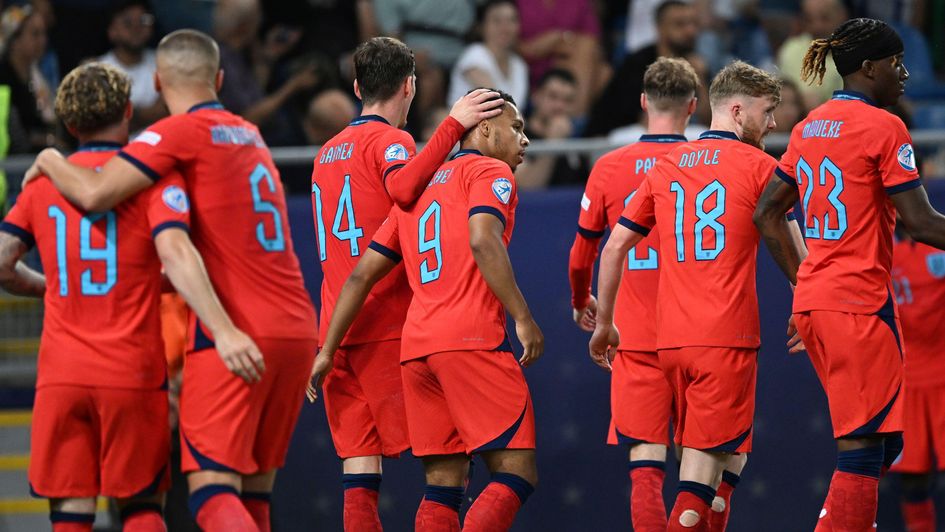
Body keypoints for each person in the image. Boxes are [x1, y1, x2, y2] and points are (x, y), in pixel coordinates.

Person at [25, 29, 320, 532]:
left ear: (158, 83)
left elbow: (97, 195)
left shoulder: (175, 135)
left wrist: (51, 158)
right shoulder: (250, 132)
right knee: (254, 495)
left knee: (210, 494)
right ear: (220, 79)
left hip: (235, 329)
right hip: (296, 329)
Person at [0, 62, 260, 532]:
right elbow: (178, 255)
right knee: (141, 507)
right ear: (126, 112)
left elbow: (2, 260)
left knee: (71, 514)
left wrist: (44, 286)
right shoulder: (153, 181)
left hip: (61, 375)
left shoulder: (43, 183)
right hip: (132, 374)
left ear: (68, 122)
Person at [308, 90, 542, 532]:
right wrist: (524, 317)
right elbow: (482, 239)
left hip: (416, 351)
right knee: (516, 472)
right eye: (518, 128)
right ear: (486, 129)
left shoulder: (418, 189)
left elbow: (360, 275)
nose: (525, 141)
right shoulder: (491, 171)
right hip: (472, 339)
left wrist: (328, 348)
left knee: (443, 486)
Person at [592, 61, 805, 532]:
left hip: (670, 343)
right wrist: (805, 298)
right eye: (768, 111)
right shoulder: (761, 167)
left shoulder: (666, 167)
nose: (773, 123)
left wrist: (605, 320)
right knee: (699, 482)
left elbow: (614, 248)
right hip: (725, 339)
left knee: (729, 460)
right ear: (735, 109)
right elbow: (794, 245)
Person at [754, 17, 945, 531]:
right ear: (869, 67)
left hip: (821, 301)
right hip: (859, 304)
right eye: (896, 63)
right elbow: (920, 222)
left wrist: (804, 283)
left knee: (887, 444)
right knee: (862, 449)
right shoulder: (885, 127)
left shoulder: (807, 127)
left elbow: (767, 213)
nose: (904, 73)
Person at [569, 56, 699, 531]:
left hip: (633, 333)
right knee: (702, 464)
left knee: (646, 465)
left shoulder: (608, 166)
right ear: (693, 105)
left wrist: (582, 299)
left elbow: (583, 251)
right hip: (698, 332)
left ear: (644, 102)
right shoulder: (707, 164)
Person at [889, 232, 945, 532]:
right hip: (905, 379)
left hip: (943, 373)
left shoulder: (938, 237)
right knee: (913, 478)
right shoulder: (879, 247)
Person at [586, 0, 709, 137]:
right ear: (660, 27)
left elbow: (709, 121)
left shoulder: (698, 64)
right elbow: (623, 115)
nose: (690, 31)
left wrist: (701, 79)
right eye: (680, 24)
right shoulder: (637, 63)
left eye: (693, 24)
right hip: (631, 138)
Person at [98, 0, 167, 132]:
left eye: (144, 20)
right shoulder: (98, 70)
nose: (137, 27)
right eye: (127, 22)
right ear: (111, 30)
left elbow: (166, 109)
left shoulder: (163, 62)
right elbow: (101, 121)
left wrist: (124, 113)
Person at [447, 0, 529, 111]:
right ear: (482, 27)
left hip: (503, 126)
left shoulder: (519, 65)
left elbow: (516, 110)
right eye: (497, 21)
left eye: (512, 20)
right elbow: (497, 103)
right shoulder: (474, 55)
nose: (505, 28)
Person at [515, 68, 588, 188]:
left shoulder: (577, 140)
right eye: (553, 97)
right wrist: (553, 143)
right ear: (536, 96)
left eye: (568, 101)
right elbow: (528, 187)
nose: (560, 106)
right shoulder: (515, 137)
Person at [0, 4, 56, 153]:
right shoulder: (3, 77)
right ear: (14, 40)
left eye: (44, 33)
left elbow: (49, 120)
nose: (42, 40)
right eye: (35, 34)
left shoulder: (38, 75)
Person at [776, 0, 847, 110]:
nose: (817, 26)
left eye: (825, 18)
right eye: (809, 20)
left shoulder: (856, 53)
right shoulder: (791, 49)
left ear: (842, 17)